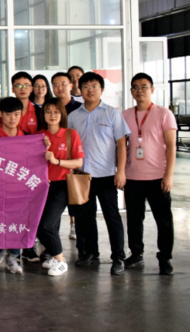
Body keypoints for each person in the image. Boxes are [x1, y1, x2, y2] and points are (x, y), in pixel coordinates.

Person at [68, 72, 130, 275]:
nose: (90, 90)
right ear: (80, 90)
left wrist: (121, 171)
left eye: (94, 86)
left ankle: (118, 257)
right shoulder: (73, 116)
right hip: (83, 175)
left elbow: (121, 144)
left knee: (112, 217)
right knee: (86, 218)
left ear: (102, 89)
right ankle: (91, 253)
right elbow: (69, 144)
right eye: (86, 86)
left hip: (106, 175)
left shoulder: (112, 113)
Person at [122, 73, 176, 275]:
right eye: (135, 87)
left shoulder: (164, 114)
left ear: (152, 90)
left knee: (163, 220)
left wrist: (168, 175)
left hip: (157, 177)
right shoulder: (126, 115)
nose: (140, 90)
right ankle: (136, 254)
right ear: (131, 91)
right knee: (134, 220)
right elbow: (120, 146)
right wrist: (121, 171)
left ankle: (165, 258)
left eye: (144, 86)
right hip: (133, 177)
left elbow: (171, 146)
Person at [38, 98, 84, 277]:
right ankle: (54, 256)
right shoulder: (39, 136)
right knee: (45, 225)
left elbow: (78, 161)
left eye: (56, 112)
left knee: (46, 225)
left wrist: (56, 161)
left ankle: (61, 261)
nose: (52, 115)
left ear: (62, 114)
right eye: (48, 111)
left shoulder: (70, 134)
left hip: (62, 184)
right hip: (42, 186)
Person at [0, 97, 26, 274]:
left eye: (16, 114)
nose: (12, 118)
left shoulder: (28, 138)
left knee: (17, 223)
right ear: (1, 114)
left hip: (19, 190)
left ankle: (13, 256)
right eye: (8, 114)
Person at [50, 71, 83, 240]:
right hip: (54, 167)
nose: (59, 88)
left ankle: (74, 226)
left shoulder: (79, 108)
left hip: (75, 161)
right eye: (55, 85)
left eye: (63, 84)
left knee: (76, 201)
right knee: (52, 212)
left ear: (71, 85)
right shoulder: (49, 108)